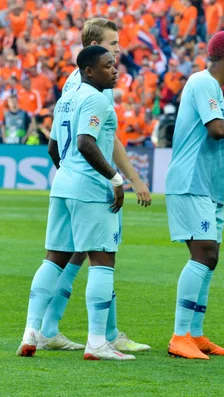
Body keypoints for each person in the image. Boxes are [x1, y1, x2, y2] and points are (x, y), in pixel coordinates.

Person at [36, 18, 151, 353]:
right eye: (112, 44)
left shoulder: (79, 80)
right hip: (87, 183)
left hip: (73, 180)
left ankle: (48, 329)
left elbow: (94, 136)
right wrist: (129, 177)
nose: (118, 50)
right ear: (92, 48)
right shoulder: (91, 83)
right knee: (96, 255)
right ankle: (100, 335)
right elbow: (99, 139)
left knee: (77, 254)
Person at [17, 46, 134, 360]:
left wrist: (67, 174)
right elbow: (85, 143)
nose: (115, 70)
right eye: (108, 65)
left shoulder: (66, 98)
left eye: (115, 65)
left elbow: (54, 148)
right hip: (90, 189)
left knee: (53, 259)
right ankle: (97, 343)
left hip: (63, 186)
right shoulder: (96, 98)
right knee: (102, 260)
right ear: (89, 71)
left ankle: (31, 333)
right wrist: (115, 178)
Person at [165, 31, 224, 359]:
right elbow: (217, 129)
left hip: (206, 185)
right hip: (191, 181)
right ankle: (179, 336)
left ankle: (195, 333)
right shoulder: (203, 82)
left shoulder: (213, 88)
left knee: (211, 258)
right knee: (203, 254)